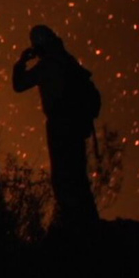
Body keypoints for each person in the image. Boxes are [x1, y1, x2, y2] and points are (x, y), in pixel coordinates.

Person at [13, 25, 99, 227]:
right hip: (76, 126)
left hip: (61, 125)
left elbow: (19, 85)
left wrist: (21, 62)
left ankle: (75, 224)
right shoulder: (68, 61)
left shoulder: (48, 65)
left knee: (63, 176)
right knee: (77, 173)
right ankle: (88, 221)